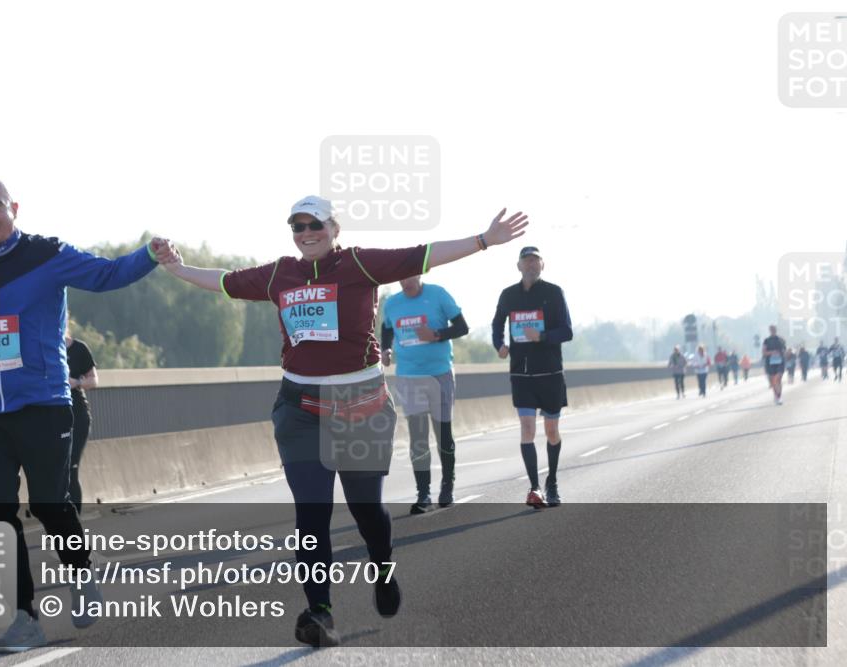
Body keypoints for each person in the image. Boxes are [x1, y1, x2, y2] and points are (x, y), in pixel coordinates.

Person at [156, 195, 529, 647]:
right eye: (297, 226)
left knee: (365, 510)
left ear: (334, 228)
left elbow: (423, 255)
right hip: (299, 408)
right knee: (310, 514)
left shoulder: (358, 264)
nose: (306, 233)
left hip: (361, 405)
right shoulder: (280, 274)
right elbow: (224, 281)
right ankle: (320, 612)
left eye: (314, 224)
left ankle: (382, 566)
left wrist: (484, 240)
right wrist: (177, 269)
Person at [0, 177, 167, 653]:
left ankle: (81, 575)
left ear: (14, 208)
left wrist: (148, 255)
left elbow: (106, 275)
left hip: (44, 403)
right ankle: (24, 618)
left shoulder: (46, 254)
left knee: (48, 503)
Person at [491, 246, 573, 510]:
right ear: (519, 266)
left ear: (542, 266)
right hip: (521, 373)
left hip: (550, 373)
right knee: (527, 429)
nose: (531, 265)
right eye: (527, 261)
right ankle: (534, 487)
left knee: (551, 431)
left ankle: (553, 483)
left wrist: (544, 336)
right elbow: (496, 324)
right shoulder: (508, 295)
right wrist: (499, 345)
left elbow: (567, 331)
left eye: (535, 261)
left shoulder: (553, 292)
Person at [381, 275, 468, 513]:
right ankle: (423, 494)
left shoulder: (438, 294)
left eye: (410, 277)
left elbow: (462, 327)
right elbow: (387, 329)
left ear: (419, 275)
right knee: (418, 437)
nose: (405, 282)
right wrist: (386, 349)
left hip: (439, 374)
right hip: (409, 376)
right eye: (401, 278)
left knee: (442, 434)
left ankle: (447, 486)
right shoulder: (392, 303)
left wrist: (437, 335)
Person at [66, 320, 99, 513]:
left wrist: (76, 382)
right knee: (54, 473)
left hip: (77, 415)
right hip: (49, 417)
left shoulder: (79, 348)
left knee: (71, 468)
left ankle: (73, 523)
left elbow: (94, 380)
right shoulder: (41, 347)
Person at [762, 325, 787, 404]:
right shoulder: (766, 340)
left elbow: (784, 350)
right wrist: (772, 352)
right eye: (771, 329)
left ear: (776, 330)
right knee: (773, 381)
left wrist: (781, 353)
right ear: (769, 330)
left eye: (774, 329)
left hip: (780, 362)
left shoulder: (781, 339)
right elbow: (764, 352)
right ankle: (776, 395)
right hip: (770, 363)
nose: (773, 330)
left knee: (778, 379)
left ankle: (779, 396)